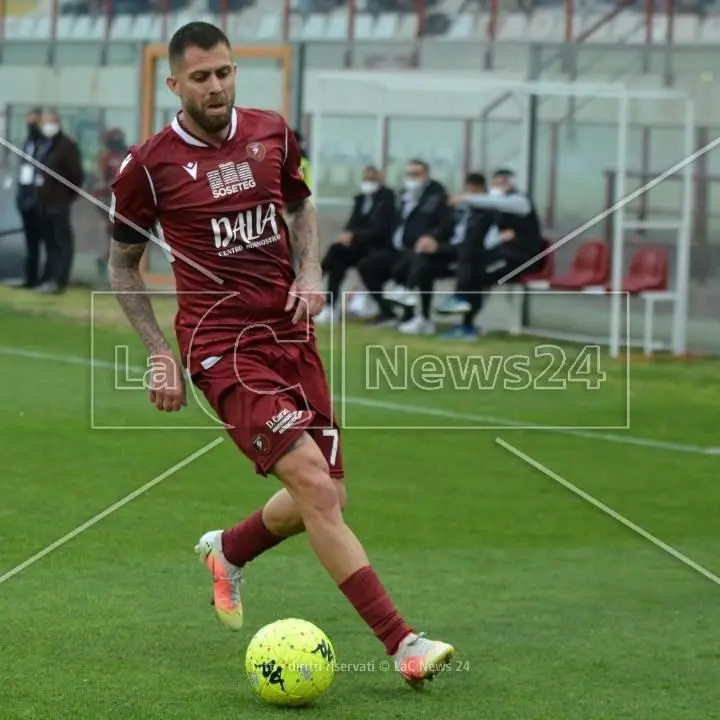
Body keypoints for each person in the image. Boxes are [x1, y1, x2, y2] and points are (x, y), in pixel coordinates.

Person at [108, 21, 454, 687]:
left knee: (327, 497)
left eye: (225, 72)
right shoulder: (147, 167)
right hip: (220, 344)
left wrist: (312, 269)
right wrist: (158, 352)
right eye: (201, 77)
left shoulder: (272, 133)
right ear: (173, 83)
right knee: (316, 486)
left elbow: (300, 207)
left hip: (291, 334)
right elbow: (123, 266)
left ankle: (228, 550)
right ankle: (402, 642)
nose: (216, 86)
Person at [436, 168, 543, 324]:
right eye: (495, 183)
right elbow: (490, 235)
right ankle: (463, 314)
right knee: (471, 266)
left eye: (501, 183)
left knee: (478, 276)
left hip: (522, 260)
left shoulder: (520, 202)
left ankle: (467, 322)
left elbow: (495, 202)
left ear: (511, 183)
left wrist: (466, 198)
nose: (497, 187)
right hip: (503, 254)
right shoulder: (498, 210)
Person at [356, 158, 448, 327]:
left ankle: (415, 316)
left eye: (416, 174)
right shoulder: (403, 196)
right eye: (409, 174)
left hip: (419, 251)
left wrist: (431, 237)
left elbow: (441, 223)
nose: (412, 178)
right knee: (367, 265)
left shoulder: (435, 196)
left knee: (410, 265)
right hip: (395, 250)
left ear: (426, 175)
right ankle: (387, 312)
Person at [315, 165, 395, 324]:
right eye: (366, 179)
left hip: (377, 247)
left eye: (372, 179)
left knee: (339, 254)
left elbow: (380, 229)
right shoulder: (360, 199)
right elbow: (353, 223)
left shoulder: (386, 199)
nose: (368, 182)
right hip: (359, 245)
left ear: (381, 180)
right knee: (337, 255)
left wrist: (354, 236)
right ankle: (330, 306)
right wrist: (346, 235)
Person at [34, 110, 84, 294]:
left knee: (62, 241)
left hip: (59, 202)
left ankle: (60, 280)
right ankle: (48, 277)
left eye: (51, 121)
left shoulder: (67, 146)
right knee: (49, 241)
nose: (48, 125)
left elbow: (76, 175)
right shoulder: (44, 144)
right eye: (45, 122)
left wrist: (66, 196)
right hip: (43, 201)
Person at [14, 108, 45, 288]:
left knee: (43, 239)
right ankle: (30, 277)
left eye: (34, 121)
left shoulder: (44, 143)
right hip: (26, 193)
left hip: (39, 197)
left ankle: (44, 277)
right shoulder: (28, 142)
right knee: (30, 241)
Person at [95, 128, 129, 278]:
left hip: (125, 198)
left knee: (118, 232)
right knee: (114, 230)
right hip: (109, 198)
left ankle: (109, 260)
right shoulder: (105, 157)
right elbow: (101, 180)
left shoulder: (128, 154)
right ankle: (107, 261)